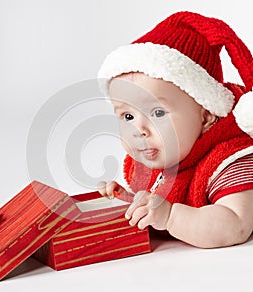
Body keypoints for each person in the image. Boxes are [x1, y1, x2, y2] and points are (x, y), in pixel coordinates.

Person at [96, 11, 253, 248]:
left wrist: (170, 217)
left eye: (158, 113)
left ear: (206, 117)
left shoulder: (229, 161)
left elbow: (235, 224)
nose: (138, 129)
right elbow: (161, 203)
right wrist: (131, 202)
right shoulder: (159, 157)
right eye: (128, 115)